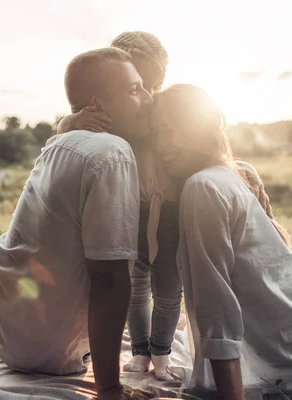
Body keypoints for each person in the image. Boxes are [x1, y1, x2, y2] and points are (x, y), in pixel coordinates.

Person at [0, 47, 153, 400]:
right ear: (96, 105)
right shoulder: (112, 153)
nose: (148, 98)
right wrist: (110, 388)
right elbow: (108, 277)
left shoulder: (60, 141)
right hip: (43, 348)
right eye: (135, 89)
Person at [152, 84, 292, 400]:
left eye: (169, 130)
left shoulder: (202, 187)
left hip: (285, 360)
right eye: (154, 134)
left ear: (196, 128)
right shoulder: (228, 172)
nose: (161, 144)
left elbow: (216, 310)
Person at [58, 31, 183, 381]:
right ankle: (141, 350)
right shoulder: (103, 123)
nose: (150, 97)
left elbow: (203, 140)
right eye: (139, 85)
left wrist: (244, 172)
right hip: (127, 215)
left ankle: (161, 351)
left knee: (169, 286)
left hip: (166, 211)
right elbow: (65, 138)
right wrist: (70, 122)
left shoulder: (158, 113)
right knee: (134, 284)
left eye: (155, 86)